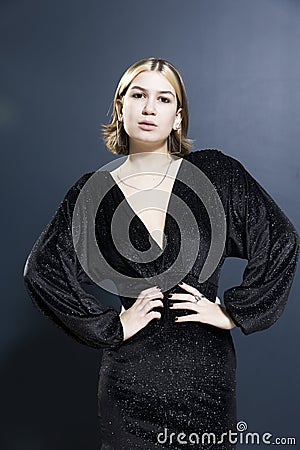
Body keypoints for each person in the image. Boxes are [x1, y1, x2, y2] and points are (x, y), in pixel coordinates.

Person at [23, 57, 300, 450]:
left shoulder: (216, 174)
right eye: (138, 95)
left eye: (163, 99)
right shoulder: (94, 193)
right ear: (121, 108)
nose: (149, 107)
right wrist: (110, 326)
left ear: (178, 117)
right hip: (129, 388)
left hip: (206, 384)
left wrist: (234, 312)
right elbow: (43, 271)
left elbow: (281, 240)